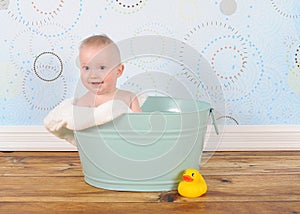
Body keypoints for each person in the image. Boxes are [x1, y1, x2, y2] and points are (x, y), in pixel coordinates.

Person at [75, 34, 142, 112]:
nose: (93, 75)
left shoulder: (129, 98)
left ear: (118, 71)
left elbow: (140, 122)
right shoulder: (84, 103)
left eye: (102, 68)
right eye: (86, 68)